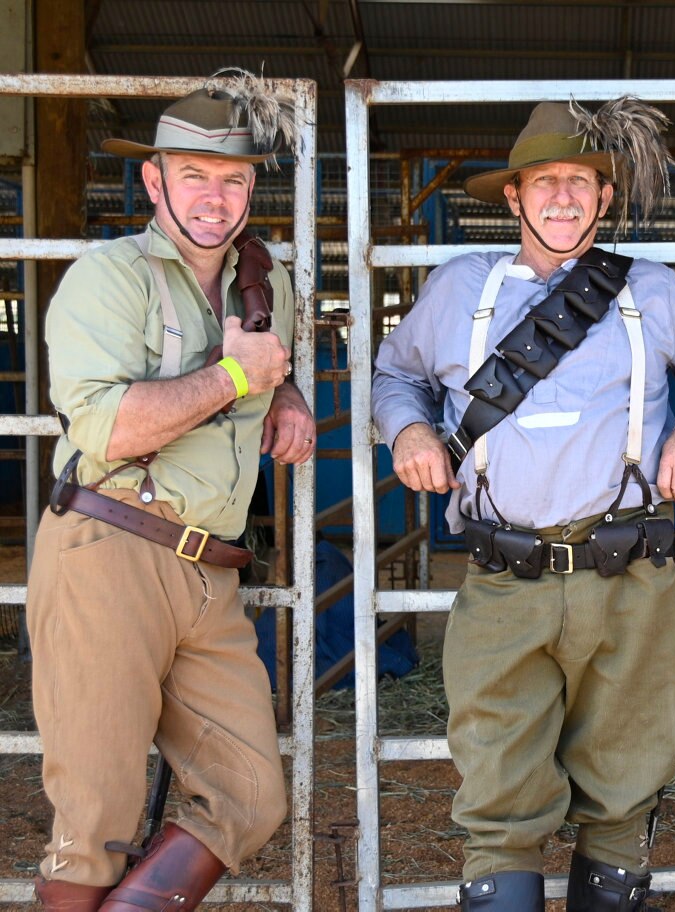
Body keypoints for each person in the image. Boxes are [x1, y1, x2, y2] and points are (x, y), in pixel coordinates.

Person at [371, 97, 675, 911]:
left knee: (625, 783)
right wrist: (406, 430)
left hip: (630, 582)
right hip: (500, 583)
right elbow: (394, 375)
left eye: (579, 182)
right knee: (498, 790)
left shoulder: (649, 291)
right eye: (543, 182)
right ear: (513, 198)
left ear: (604, 198)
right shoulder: (458, 290)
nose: (562, 198)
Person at [27, 69, 314, 911]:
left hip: (210, 573)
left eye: (232, 179)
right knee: (96, 822)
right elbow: (108, 429)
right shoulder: (107, 277)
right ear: (153, 180)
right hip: (107, 551)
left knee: (252, 795)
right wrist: (234, 376)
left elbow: (269, 366)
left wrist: (286, 394)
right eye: (193, 175)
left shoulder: (269, 285)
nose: (215, 197)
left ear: (251, 186)